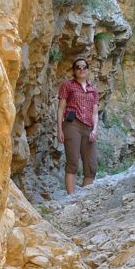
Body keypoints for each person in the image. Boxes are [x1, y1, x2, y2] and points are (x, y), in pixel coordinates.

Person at [57, 58, 99, 194]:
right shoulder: (68, 85)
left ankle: (83, 198)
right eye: (78, 67)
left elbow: (95, 113)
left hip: (88, 128)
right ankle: (71, 197)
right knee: (73, 161)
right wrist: (59, 130)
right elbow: (61, 108)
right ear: (74, 70)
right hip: (72, 125)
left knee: (91, 166)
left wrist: (95, 130)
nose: (81, 69)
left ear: (88, 69)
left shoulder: (93, 90)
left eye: (84, 67)